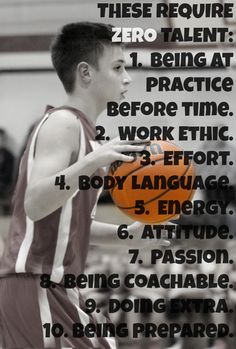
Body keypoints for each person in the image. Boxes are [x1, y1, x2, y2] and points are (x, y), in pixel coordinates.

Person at [0, 22, 172, 348]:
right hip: (36, 281)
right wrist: (93, 162)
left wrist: (128, 234)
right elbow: (35, 203)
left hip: (56, 286)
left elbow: (69, 226)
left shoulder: (87, 136)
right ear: (85, 73)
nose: (127, 77)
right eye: (118, 67)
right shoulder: (63, 123)